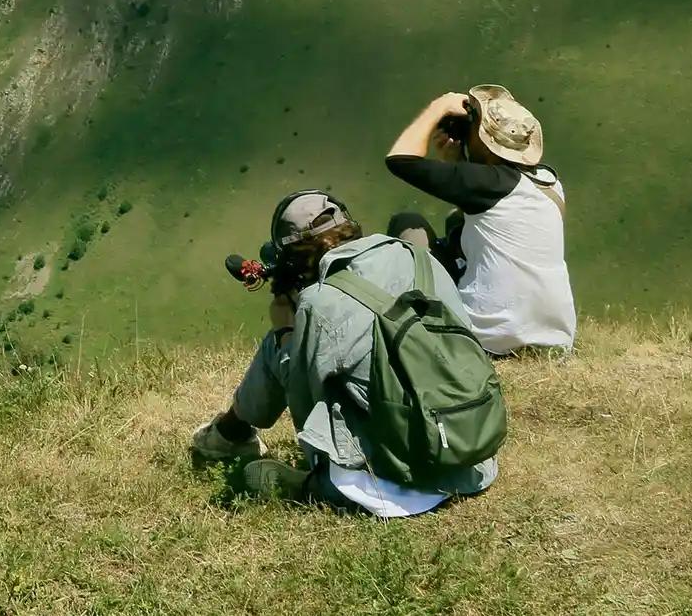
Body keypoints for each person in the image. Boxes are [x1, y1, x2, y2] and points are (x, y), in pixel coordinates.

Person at [189, 190, 497, 515]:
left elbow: (306, 409)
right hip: (472, 456)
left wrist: (284, 332)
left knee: (277, 348)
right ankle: (231, 435)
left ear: (294, 255)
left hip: (395, 490)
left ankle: (234, 439)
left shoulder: (319, 303)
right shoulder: (418, 257)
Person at [385, 85, 576, 356]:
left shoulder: (486, 183)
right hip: (554, 341)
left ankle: (407, 334)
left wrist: (437, 107)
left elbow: (399, 160)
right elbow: (489, 217)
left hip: (486, 342)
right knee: (456, 224)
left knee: (408, 223)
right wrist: (457, 162)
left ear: (486, 144)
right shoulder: (549, 181)